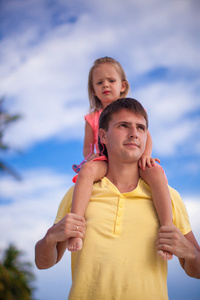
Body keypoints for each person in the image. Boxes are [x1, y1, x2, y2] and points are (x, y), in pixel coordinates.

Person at [35, 98, 200, 300]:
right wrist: (50, 237)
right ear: (103, 136)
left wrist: (190, 253)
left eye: (141, 128)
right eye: (123, 125)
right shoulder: (78, 193)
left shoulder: (169, 197)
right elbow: (43, 263)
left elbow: (197, 271)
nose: (134, 133)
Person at [68, 57, 172, 260]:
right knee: (87, 171)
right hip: (105, 161)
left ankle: (167, 232)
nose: (105, 85)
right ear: (94, 89)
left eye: (111, 80)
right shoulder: (92, 119)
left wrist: (147, 155)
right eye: (99, 82)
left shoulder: (133, 110)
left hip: (133, 159)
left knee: (156, 173)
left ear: (122, 85)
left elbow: (146, 137)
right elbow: (87, 146)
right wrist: (93, 156)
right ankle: (76, 228)